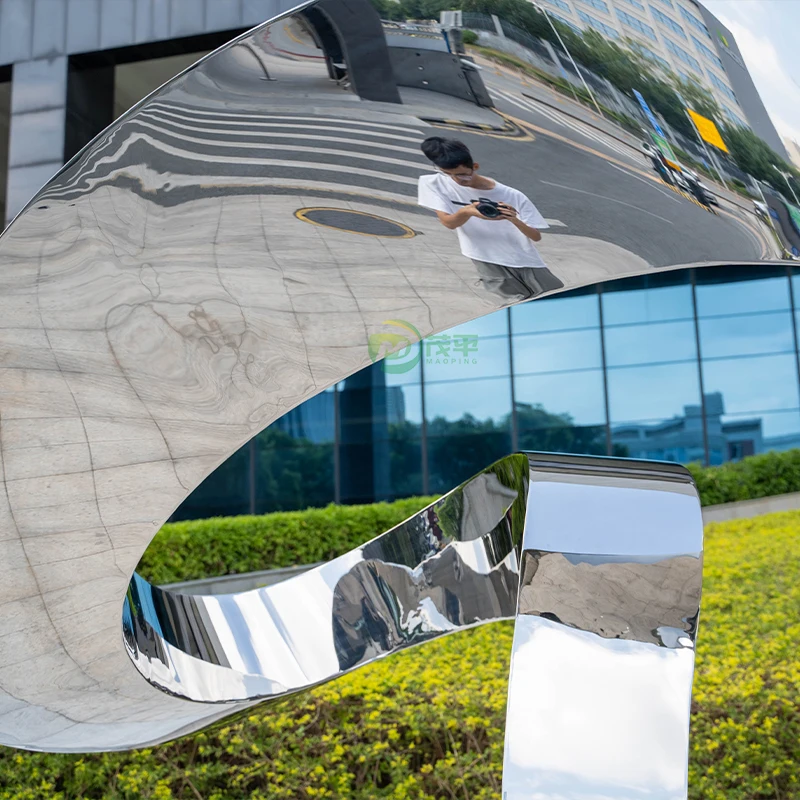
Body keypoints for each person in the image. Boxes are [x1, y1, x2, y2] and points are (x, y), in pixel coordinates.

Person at [417, 136, 563, 301]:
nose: (457, 180)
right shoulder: (432, 183)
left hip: (523, 258)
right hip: (484, 257)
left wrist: (513, 219)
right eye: (448, 174)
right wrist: (467, 211)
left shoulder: (512, 195)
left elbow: (536, 236)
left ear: (475, 167)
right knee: (515, 303)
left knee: (553, 299)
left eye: (463, 175)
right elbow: (449, 223)